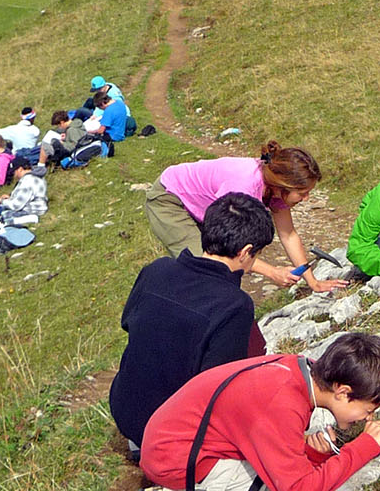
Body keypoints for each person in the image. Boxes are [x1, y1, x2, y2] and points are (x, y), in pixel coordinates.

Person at [110, 193, 275, 454]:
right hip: (166, 433)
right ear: (245, 253)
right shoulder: (235, 304)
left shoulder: (157, 269)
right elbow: (219, 386)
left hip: (125, 408)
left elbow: (128, 323)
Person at [139, 333, 380, 491]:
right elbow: (297, 488)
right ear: (342, 392)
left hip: (179, 441)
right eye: (368, 409)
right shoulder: (279, 403)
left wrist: (311, 456)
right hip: (176, 462)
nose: (367, 418)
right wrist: (364, 447)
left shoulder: (301, 370)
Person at [146, 144, 347, 292]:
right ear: (283, 184)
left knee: (220, 271)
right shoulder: (243, 187)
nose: (306, 198)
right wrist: (272, 272)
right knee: (208, 266)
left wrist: (313, 282)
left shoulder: (276, 191)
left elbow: (288, 235)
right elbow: (231, 249)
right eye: (303, 193)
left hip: (206, 207)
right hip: (171, 199)